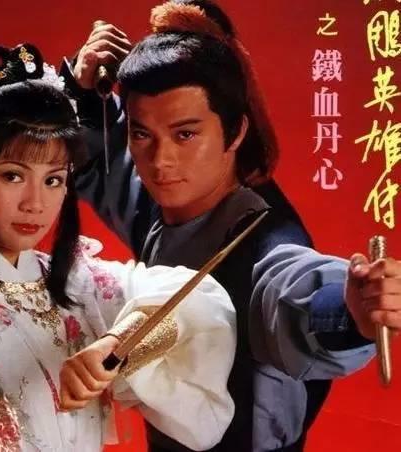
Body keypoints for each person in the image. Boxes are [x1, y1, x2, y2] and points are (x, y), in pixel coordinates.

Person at [63, 1, 401, 451]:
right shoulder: (165, 201)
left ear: (235, 131)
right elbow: (98, 163)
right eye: (142, 134)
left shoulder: (264, 241)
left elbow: (294, 293)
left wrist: (349, 311)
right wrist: (85, 97)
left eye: (185, 134)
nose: (161, 161)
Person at [0, 42, 238, 452]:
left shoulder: (82, 289)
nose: (35, 203)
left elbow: (198, 300)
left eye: (53, 180)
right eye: (13, 176)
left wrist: (118, 344)